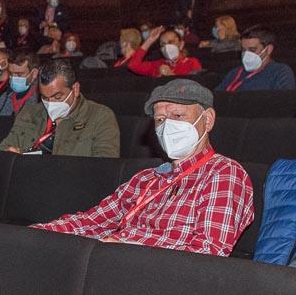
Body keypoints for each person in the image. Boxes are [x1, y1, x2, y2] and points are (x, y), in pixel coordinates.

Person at [31, 80, 254, 257]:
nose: (167, 126)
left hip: (163, 283)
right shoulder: (147, 179)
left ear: (207, 120)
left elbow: (207, 251)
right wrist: (36, 234)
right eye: (160, 119)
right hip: (114, 267)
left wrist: (128, 245)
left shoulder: (223, 173)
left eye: (177, 116)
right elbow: (93, 221)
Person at [0, 59, 119, 157]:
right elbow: (0, 150)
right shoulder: (29, 113)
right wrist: (9, 156)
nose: (51, 103)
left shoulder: (100, 116)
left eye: (57, 97)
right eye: (45, 97)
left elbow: (105, 166)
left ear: (75, 89)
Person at [215, 27, 295, 92]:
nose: (246, 54)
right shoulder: (234, 73)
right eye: (243, 50)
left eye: (252, 50)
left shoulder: (281, 72)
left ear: (268, 49)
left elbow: (284, 103)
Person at [127, 26, 203, 78]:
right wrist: (149, 40)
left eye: (171, 42)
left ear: (181, 44)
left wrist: (170, 75)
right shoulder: (158, 64)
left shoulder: (192, 62)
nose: (166, 47)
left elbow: (193, 88)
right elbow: (133, 65)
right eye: (163, 44)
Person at [0, 52, 40, 117]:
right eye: (11, 74)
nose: (14, 78)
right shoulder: (8, 93)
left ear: (34, 73)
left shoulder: (40, 97)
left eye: (19, 74)